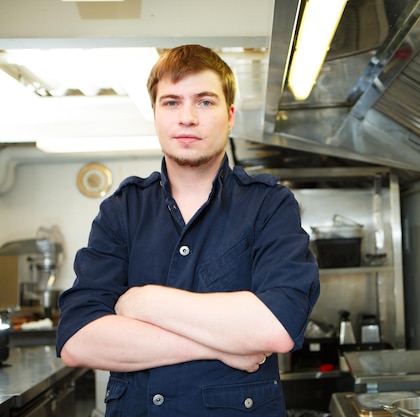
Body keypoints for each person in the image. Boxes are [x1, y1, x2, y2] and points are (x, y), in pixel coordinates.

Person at [56, 44, 320, 417]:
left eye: (205, 102)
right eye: (171, 102)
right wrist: (223, 344)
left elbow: (277, 325)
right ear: (155, 114)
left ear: (230, 116)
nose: (187, 117)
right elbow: (78, 340)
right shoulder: (121, 211)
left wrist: (144, 301)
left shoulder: (269, 205)